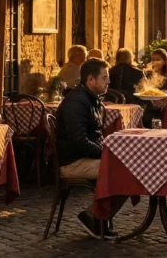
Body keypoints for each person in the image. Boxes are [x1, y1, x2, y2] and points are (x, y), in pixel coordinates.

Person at [54, 58, 118, 238]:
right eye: (105, 78)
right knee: (122, 171)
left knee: (126, 167)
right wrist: (105, 153)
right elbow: (79, 140)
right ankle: (93, 216)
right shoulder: (76, 103)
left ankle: (97, 216)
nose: (109, 82)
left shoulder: (91, 98)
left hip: (87, 158)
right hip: (73, 163)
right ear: (91, 80)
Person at [141, 49, 167, 128]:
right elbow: (145, 91)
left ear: (164, 61)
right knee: (146, 118)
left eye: (158, 59)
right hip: (151, 106)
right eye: (153, 59)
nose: (154, 62)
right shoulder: (149, 74)